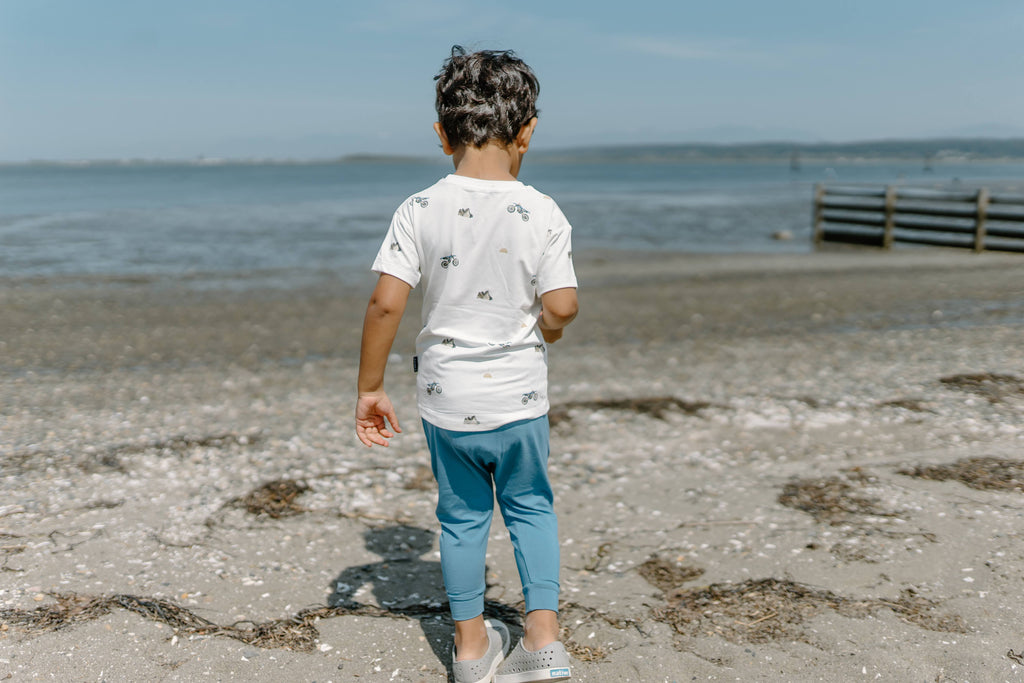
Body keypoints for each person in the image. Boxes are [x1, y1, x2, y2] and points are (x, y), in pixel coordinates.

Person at [355, 46, 578, 683]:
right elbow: (561, 304)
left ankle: (472, 650)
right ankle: (543, 642)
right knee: (531, 506)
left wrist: (371, 387)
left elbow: (384, 304)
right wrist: (551, 329)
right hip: (519, 398)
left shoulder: (418, 209)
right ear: (528, 132)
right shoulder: (543, 211)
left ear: (441, 134)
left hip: (446, 399)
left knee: (460, 517)